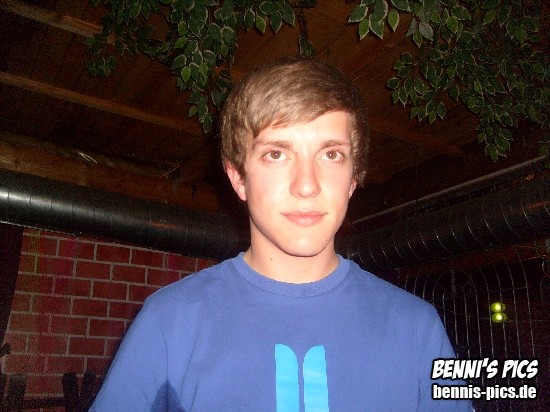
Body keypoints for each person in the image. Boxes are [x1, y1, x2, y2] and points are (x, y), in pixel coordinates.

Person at [90, 56, 471, 411]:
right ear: (238, 178)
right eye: (277, 154)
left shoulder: (417, 328)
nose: (306, 185)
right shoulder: (169, 322)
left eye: (331, 154)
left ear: (353, 179)